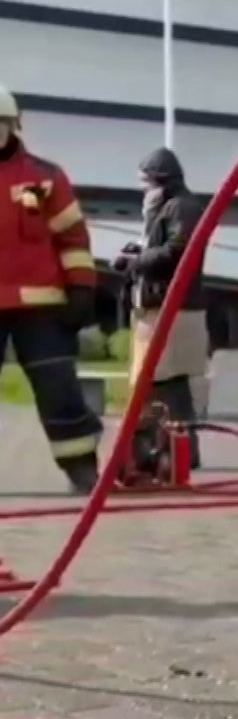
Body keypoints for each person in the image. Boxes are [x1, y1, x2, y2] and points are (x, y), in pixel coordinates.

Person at [0, 85, 104, 495]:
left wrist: (81, 289)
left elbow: (73, 238)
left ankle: (81, 467)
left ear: (12, 127)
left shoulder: (44, 177)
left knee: (60, 390)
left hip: (42, 309)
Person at [114, 146, 210, 468]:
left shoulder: (183, 207)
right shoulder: (164, 208)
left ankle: (182, 452)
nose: (144, 189)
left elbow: (177, 251)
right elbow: (160, 245)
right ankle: (158, 452)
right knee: (153, 383)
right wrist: (136, 252)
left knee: (169, 381)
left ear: (162, 180)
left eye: (147, 183)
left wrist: (135, 262)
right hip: (155, 307)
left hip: (174, 309)